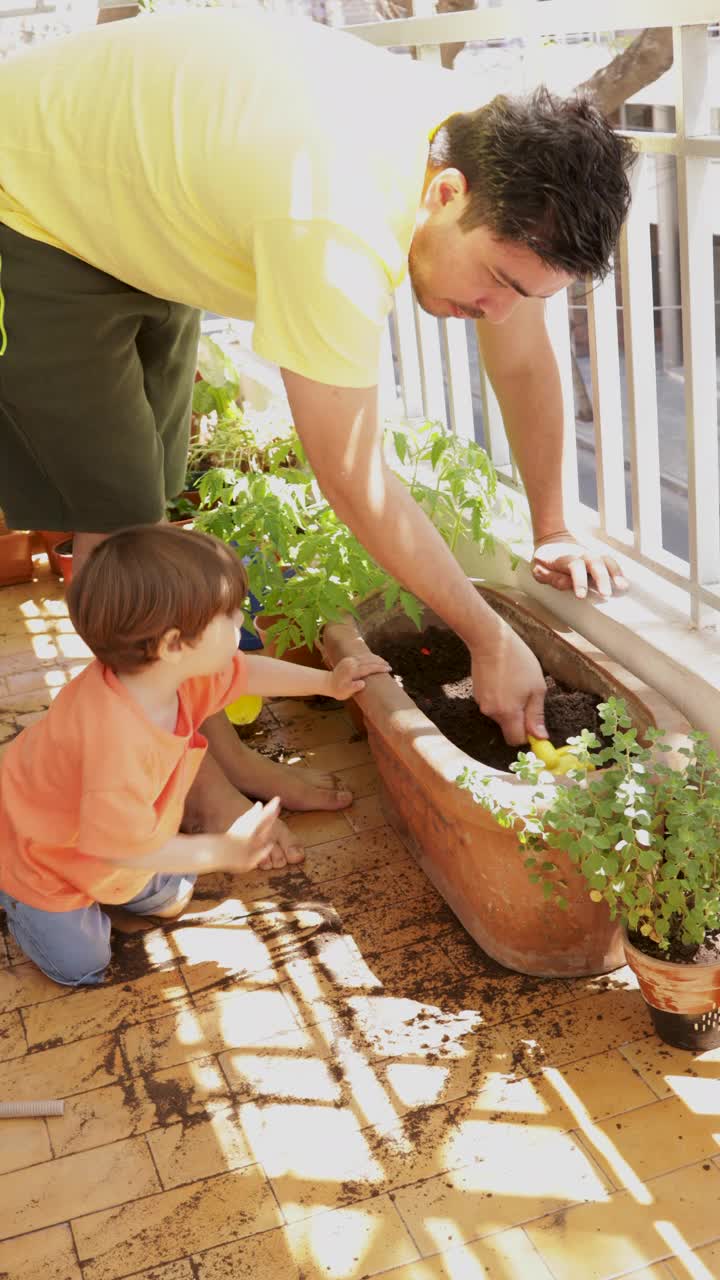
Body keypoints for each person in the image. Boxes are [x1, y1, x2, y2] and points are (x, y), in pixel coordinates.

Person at [0, 7, 634, 862]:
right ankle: (202, 780)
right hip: (30, 205)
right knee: (119, 534)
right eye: (495, 282)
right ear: (444, 194)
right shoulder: (335, 218)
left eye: (526, 293)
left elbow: (520, 362)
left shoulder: (502, 155)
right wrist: (490, 636)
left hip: (127, 195)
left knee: (148, 502)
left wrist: (554, 525)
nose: (496, 312)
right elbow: (352, 475)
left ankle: (206, 750)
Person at [0, 525, 390, 986]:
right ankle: (14, 891)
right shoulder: (116, 745)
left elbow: (245, 673)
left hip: (109, 834)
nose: (241, 623)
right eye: (228, 616)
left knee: (169, 897)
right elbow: (113, 847)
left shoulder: (168, 675)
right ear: (172, 645)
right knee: (82, 965)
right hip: (40, 852)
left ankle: (116, 881)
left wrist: (327, 683)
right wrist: (220, 850)